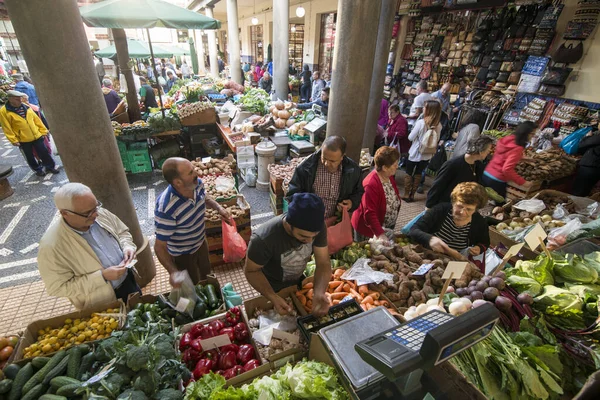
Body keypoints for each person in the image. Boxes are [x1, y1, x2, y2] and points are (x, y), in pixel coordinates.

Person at [38, 183, 139, 310]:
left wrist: (127, 247)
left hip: (129, 282)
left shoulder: (99, 213)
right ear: (65, 214)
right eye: (87, 213)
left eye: (96, 207)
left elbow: (122, 232)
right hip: (101, 303)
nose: (95, 215)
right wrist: (102, 277)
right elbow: (57, 288)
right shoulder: (51, 246)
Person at [245, 193, 331, 317]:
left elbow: (323, 262)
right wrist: (272, 297)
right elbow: (251, 271)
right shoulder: (263, 239)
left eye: (314, 236)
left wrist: (319, 292)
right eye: (303, 236)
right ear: (289, 224)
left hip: (297, 282)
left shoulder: (318, 227)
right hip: (270, 284)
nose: (310, 240)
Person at [154, 158, 231, 287]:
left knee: (206, 274)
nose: (196, 174)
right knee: (193, 284)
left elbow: (204, 197)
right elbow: (159, 247)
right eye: (190, 173)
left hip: (201, 243)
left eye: (193, 169)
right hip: (183, 254)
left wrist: (219, 208)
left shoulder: (197, 184)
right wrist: (173, 272)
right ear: (178, 182)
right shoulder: (166, 208)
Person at [287, 135, 363, 218]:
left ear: (342, 157)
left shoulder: (353, 170)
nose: (326, 163)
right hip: (309, 219)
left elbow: (359, 192)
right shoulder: (306, 167)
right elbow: (292, 193)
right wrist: (306, 207)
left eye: (332, 161)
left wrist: (352, 203)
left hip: (337, 221)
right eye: (324, 158)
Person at [409, 182, 490, 258]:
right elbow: (413, 230)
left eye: (469, 209)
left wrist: (479, 248)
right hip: (427, 255)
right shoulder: (440, 211)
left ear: (476, 209)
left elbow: (485, 243)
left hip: (453, 261)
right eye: (459, 206)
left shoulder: (479, 222)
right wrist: (430, 239)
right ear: (453, 202)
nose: (462, 212)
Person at [0, 90, 58, 176]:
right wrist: (13, 139)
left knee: (44, 152)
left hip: (36, 135)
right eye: (17, 99)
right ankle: (38, 170)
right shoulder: (4, 111)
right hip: (22, 138)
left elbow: (36, 120)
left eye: (20, 99)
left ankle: (50, 167)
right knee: (30, 156)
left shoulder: (26, 106)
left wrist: (43, 130)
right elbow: (6, 127)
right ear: (10, 99)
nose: (20, 101)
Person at [426, 136, 494, 208]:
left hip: (461, 207)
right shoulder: (453, 164)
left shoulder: (478, 166)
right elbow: (437, 186)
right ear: (481, 151)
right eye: (488, 150)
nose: (488, 153)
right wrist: (429, 207)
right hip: (445, 206)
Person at [351, 146, 401, 242]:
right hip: (369, 230)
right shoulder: (371, 184)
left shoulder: (388, 176)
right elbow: (369, 213)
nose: (397, 167)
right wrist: (380, 234)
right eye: (394, 165)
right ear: (385, 168)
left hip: (384, 227)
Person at [482, 121, 536, 200]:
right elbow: (506, 169)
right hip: (497, 179)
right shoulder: (518, 148)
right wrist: (523, 182)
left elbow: (504, 155)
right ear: (526, 133)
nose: (533, 136)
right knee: (500, 205)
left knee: (482, 200)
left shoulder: (507, 139)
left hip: (487, 173)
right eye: (532, 134)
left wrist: (522, 158)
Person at [403, 100, 442, 202]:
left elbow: (410, 138)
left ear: (429, 110)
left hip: (416, 152)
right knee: (419, 173)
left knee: (409, 172)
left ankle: (406, 194)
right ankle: (413, 195)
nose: (423, 109)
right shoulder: (439, 125)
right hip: (427, 154)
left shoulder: (421, 123)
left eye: (425, 107)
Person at [572, 127, 600, 196]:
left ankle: (573, 204)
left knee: (579, 191)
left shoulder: (598, 138)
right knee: (586, 190)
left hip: (590, 166)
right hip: (596, 168)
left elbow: (582, 144)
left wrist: (588, 136)